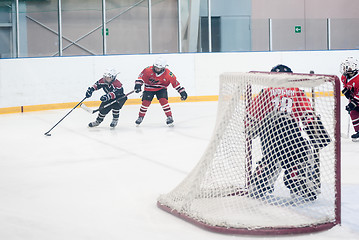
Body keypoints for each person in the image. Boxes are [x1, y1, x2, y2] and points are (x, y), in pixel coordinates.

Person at [246, 64, 331, 201]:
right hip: (291, 134)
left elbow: (252, 116)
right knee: (302, 154)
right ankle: (296, 175)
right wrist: (318, 134)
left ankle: (260, 181)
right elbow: (307, 114)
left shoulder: (266, 91)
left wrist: (250, 129)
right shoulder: (297, 91)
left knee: (271, 159)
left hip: (269, 135)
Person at [133, 57, 188, 126]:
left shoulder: (168, 74)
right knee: (145, 103)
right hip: (149, 88)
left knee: (164, 101)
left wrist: (182, 92)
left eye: (159, 68)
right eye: (156, 67)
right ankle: (140, 117)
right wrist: (138, 85)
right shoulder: (147, 70)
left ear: (163, 68)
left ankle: (169, 117)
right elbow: (140, 77)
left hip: (161, 89)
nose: (157, 69)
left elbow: (175, 83)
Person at [340, 57, 359, 142]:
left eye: (347, 67)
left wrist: (353, 102)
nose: (345, 69)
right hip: (355, 99)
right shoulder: (344, 77)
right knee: (353, 113)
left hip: (357, 99)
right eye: (344, 67)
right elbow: (347, 87)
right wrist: (347, 92)